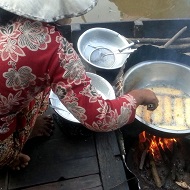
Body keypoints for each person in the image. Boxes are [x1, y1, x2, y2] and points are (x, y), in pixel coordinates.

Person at [0, 0, 158, 170]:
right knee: (5, 154)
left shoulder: (8, 17)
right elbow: (100, 118)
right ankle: (9, 157)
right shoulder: (55, 50)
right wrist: (138, 96)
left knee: (36, 84)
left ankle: (25, 128)